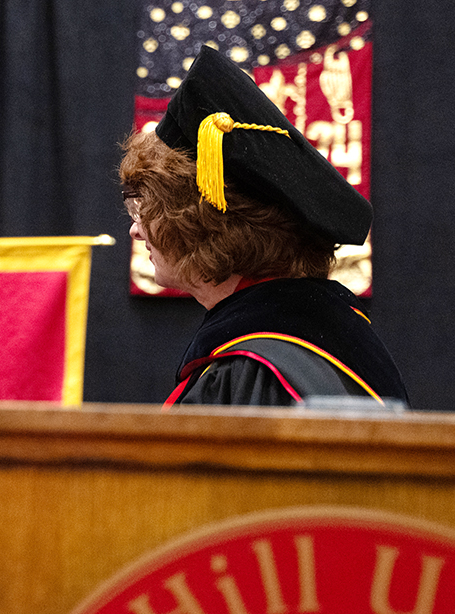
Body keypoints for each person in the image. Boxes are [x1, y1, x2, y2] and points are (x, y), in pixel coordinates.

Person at [120, 47, 407, 407]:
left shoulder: (251, 371)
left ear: (205, 224)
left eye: (148, 210)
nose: (136, 230)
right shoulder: (334, 331)